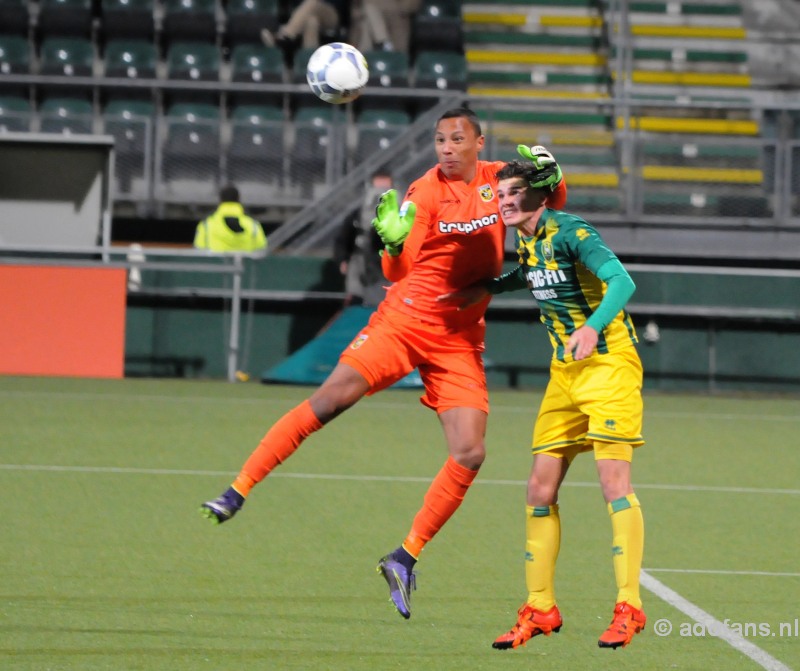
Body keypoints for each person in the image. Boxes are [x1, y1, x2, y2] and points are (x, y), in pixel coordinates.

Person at [198, 106, 567, 620]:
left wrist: (554, 175)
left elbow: (548, 202)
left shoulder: (499, 180)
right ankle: (237, 490)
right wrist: (390, 243)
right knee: (330, 400)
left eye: (457, 138)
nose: (446, 147)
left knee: (471, 451)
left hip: (459, 337)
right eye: (439, 139)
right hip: (406, 320)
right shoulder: (425, 191)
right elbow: (398, 266)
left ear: (479, 143)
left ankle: (404, 557)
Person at [438, 153, 646, 650]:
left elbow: (623, 282)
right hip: (565, 373)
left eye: (513, 194)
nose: (505, 201)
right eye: (502, 193)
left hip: (609, 364)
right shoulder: (527, 240)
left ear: (540, 194)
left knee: (612, 481)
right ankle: (540, 608)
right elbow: (529, 274)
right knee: (538, 488)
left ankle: (630, 607)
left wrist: (593, 328)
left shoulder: (572, 232)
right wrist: (485, 288)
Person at [333, 169, 393, 307]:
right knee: (355, 298)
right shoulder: (358, 214)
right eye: (377, 189)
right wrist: (342, 259)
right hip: (360, 260)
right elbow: (343, 238)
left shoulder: (402, 212)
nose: (380, 194)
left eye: (385, 189)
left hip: (388, 261)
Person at [193, 185, 267, 253]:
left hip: (217, 266)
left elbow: (199, 252)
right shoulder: (253, 226)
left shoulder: (206, 226)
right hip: (244, 266)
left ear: (220, 199)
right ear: (238, 199)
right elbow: (261, 252)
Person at [261, 0, 348, 50]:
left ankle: (285, 35)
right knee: (311, 22)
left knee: (312, 2)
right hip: (306, 14)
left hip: (333, 15)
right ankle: (309, 67)